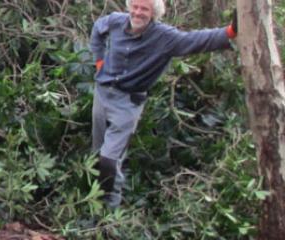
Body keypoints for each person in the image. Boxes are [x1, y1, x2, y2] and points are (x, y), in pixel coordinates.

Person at [90, 0, 236, 208]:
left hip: (128, 103)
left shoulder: (164, 37)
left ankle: (109, 211)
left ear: (154, 13)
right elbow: (97, 29)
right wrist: (99, 62)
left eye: (144, 9)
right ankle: (92, 203)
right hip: (102, 94)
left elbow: (196, 40)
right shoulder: (115, 21)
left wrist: (230, 31)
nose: (138, 13)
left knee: (109, 160)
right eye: (135, 7)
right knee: (97, 155)